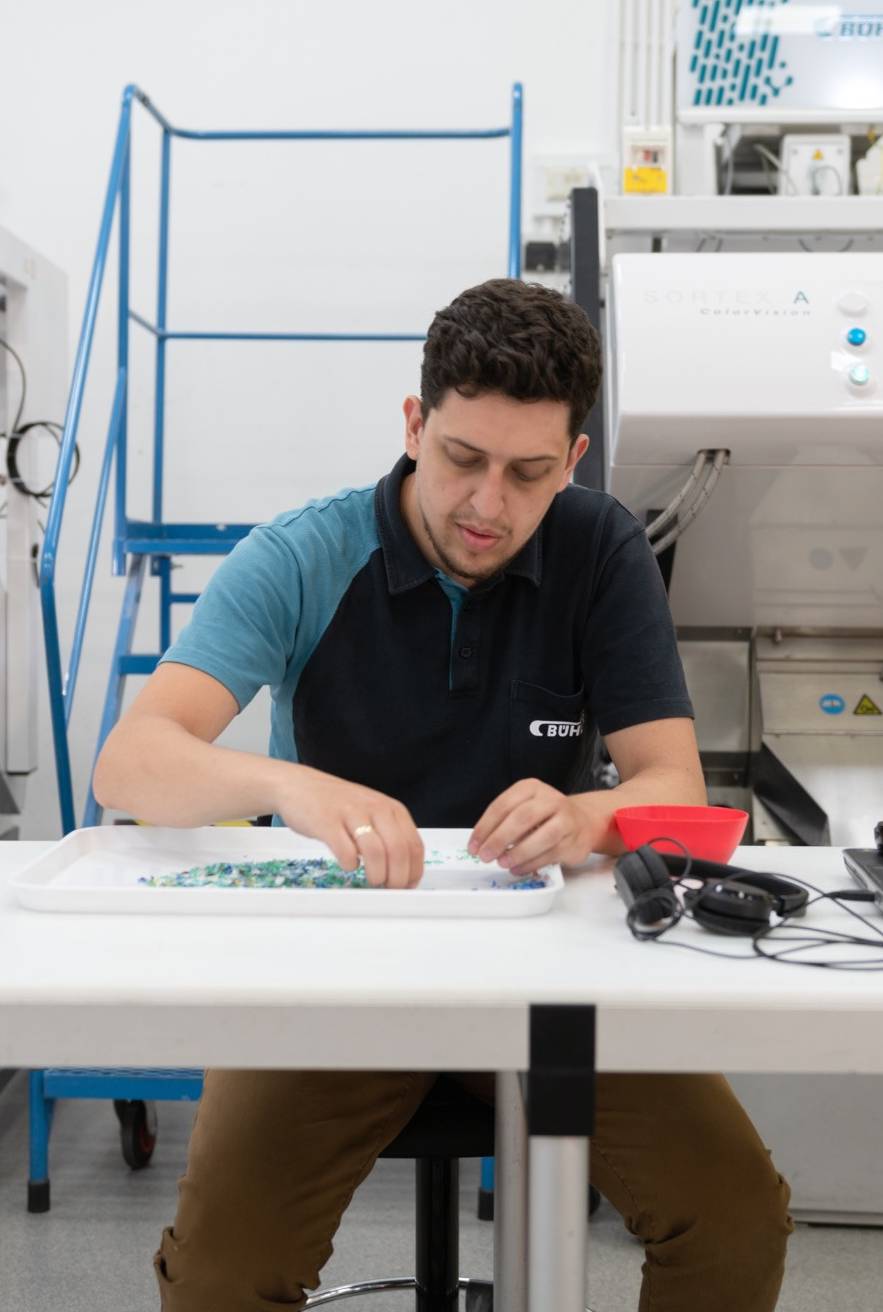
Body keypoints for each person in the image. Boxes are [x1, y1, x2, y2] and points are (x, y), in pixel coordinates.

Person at [92, 278, 792, 1310]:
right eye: (463, 459)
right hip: (338, 976)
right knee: (222, 1274)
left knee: (733, 1219)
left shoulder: (599, 551)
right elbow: (132, 761)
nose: (487, 505)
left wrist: (584, 815)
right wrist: (288, 784)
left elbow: (671, 784)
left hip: (546, 972)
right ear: (415, 425)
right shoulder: (304, 554)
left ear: (574, 461)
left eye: (528, 472)